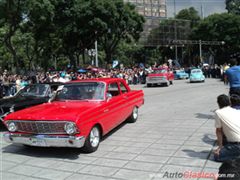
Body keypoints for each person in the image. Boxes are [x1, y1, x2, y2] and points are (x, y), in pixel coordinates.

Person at [214, 94, 240, 162]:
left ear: (218, 104)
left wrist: (220, 146)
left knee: (217, 156)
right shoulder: (237, 111)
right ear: (229, 102)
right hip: (235, 142)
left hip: (237, 145)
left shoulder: (218, 112)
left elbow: (218, 131)